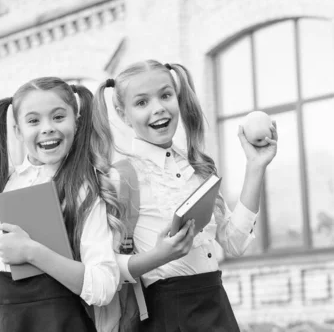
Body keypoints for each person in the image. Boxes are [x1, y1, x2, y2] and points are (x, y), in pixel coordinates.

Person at [0, 77, 124, 332]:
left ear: (77, 121)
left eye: (58, 117)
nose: (47, 128)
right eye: (33, 121)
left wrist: (32, 252)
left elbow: (104, 285)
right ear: (17, 131)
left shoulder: (84, 189)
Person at [92, 60, 278, 331]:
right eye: (142, 103)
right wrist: (159, 256)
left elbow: (235, 243)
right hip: (166, 316)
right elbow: (106, 268)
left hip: (217, 306)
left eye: (165, 95)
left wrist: (255, 166)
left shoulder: (199, 167)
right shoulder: (120, 177)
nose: (158, 108)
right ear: (123, 114)